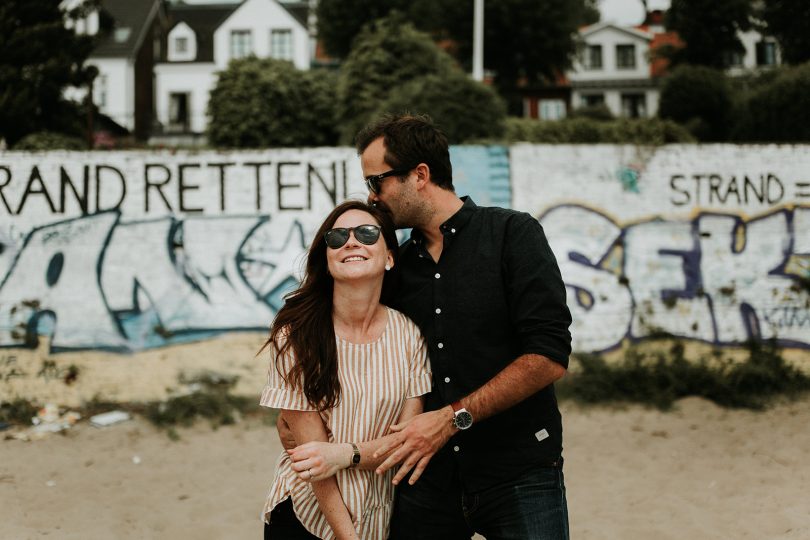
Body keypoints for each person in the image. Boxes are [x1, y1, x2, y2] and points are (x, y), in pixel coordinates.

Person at [356, 113, 574, 539]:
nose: (372, 197)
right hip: (426, 479)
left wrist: (452, 418)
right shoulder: (396, 269)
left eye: (376, 182)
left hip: (520, 471)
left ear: (419, 175)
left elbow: (548, 356)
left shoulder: (513, 234)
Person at [259, 200, 432, 539]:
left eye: (367, 233)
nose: (351, 242)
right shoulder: (296, 334)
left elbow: (402, 444)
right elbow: (313, 464)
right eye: (337, 237)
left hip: (379, 515)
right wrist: (348, 537)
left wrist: (343, 454)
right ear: (327, 259)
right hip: (304, 516)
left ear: (389, 257)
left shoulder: (409, 334)